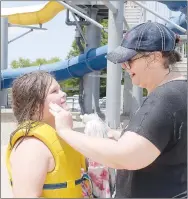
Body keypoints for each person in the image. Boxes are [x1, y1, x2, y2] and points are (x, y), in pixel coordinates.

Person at [49, 21, 187, 198]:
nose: (124, 66)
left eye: (129, 60)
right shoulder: (181, 91)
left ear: (155, 57)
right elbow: (164, 142)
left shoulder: (164, 99)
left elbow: (126, 157)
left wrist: (65, 131)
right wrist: (118, 134)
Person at [6, 71, 89, 198]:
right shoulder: (31, 145)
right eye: (54, 91)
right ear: (35, 106)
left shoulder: (59, 134)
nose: (64, 94)